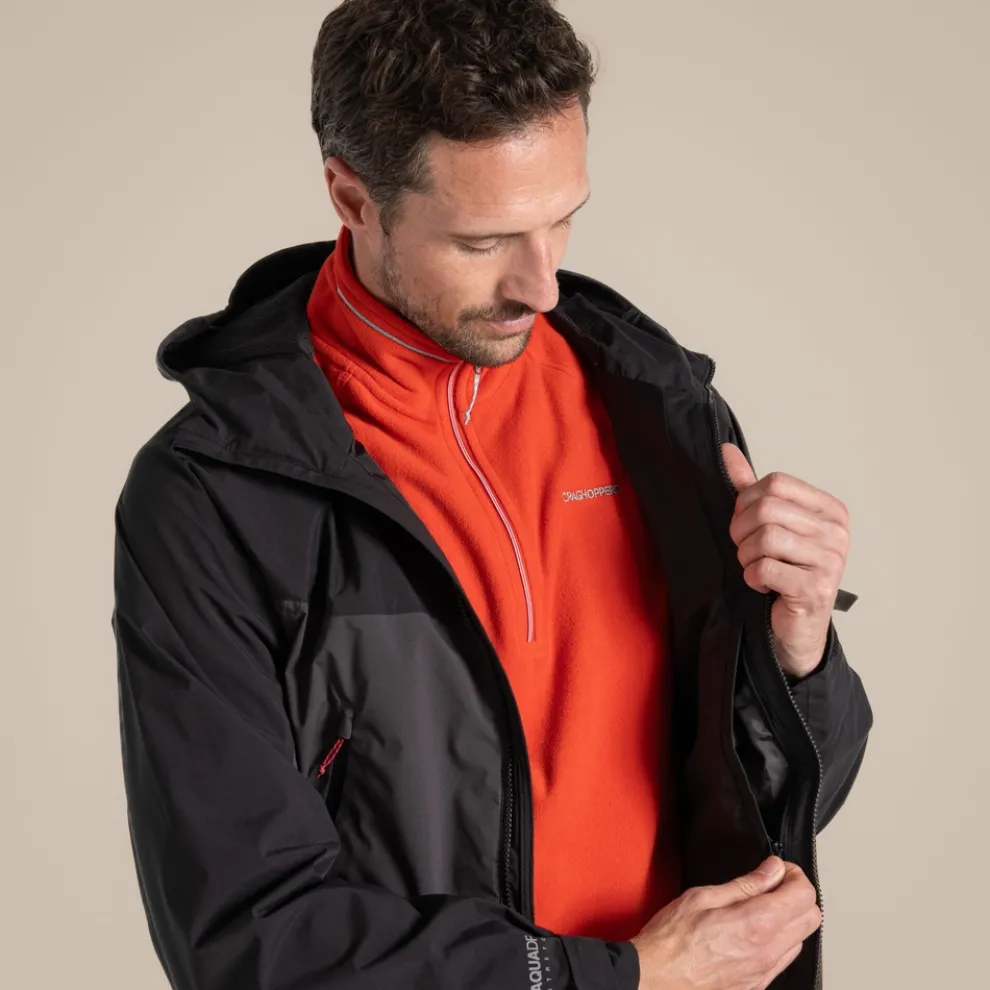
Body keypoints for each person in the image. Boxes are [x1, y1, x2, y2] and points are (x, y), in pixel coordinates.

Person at [111, 2, 873, 988]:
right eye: (485, 241)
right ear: (352, 197)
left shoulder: (657, 410)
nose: (542, 286)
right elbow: (245, 939)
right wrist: (626, 975)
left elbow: (774, 811)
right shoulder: (214, 497)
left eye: (562, 221)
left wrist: (795, 653)